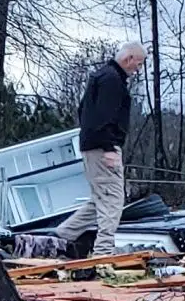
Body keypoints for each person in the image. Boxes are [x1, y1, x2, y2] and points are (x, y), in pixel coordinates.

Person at [53, 43, 145, 257]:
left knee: (99, 200)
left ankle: (63, 234)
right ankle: (103, 253)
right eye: (138, 64)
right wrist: (108, 147)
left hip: (91, 146)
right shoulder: (112, 81)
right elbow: (103, 117)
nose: (138, 69)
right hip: (104, 149)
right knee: (113, 200)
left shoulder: (101, 77)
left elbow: (83, 109)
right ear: (129, 58)